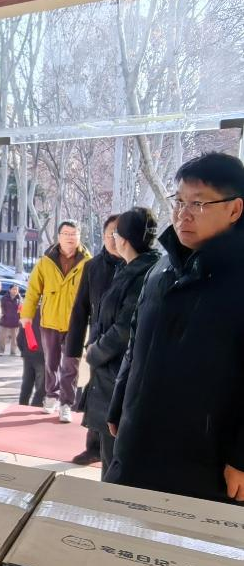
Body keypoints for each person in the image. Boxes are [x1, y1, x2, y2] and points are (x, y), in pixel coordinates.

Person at [106, 153, 244, 504]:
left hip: (204, 457)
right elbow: (136, 340)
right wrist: (119, 402)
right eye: (179, 201)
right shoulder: (161, 268)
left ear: (235, 209)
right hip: (138, 440)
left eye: (198, 203)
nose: (183, 214)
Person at [81, 208, 160, 476]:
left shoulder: (143, 274)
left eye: (114, 233)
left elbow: (125, 329)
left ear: (123, 239)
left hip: (118, 379)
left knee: (115, 464)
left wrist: (95, 352)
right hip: (112, 377)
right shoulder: (131, 269)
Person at [20, 221, 91, 424]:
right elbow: (33, 290)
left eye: (74, 233)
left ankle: (66, 404)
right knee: (51, 362)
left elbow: (95, 293)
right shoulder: (46, 262)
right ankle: (51, 395)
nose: (70, 237)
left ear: (79, 236)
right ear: (59, 236)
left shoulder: (88, 262)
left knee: (71, 364)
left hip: (76, 323)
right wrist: (27, 314)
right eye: (66, 233)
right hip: (50, 321)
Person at [66, 214, 123, 464]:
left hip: (122, 343)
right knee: (95, 394)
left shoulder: (133, 265)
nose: (115, 240)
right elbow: (80, 308)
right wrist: (73, 349)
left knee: (116, 396)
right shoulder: (93, 266)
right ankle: (93, 447)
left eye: (120, 234)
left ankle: (114, 450)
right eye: (111, 234)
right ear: (103, 236)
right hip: (97, 342)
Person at [18, 309, 45, 408]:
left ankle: (22, 405)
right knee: (41, 385)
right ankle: (35, 406)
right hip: (42, 354)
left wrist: (23, 351)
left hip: (28, 353)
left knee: (26, 383)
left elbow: (20, 337)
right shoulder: (48, 314)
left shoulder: (28, 313)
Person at [0, 285, 22, 355]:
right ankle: (1, 351)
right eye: (13, 289)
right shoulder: (4, 298)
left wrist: (20, 318)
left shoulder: (19, 299)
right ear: (9, 290)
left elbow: (21, 310)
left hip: (15, 321)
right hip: (5, 320)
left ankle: (13, 352)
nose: (15, 291)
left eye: (16, 290)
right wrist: (3, 315)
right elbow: (1, 308)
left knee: (15, 338)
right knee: (2, 337)